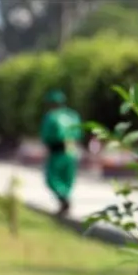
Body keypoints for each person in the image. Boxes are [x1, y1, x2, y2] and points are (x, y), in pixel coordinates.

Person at [39, 90, 83, 218]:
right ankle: (65, 200)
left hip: (57, 151)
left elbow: (46, 136)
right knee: (68, 178)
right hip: (72, 151)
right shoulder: (73, 115)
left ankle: (63, 199)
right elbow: (79, 133)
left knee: (52, 178)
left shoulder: (51, 116)